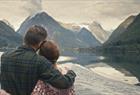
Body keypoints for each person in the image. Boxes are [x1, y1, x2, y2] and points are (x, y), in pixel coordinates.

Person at [1, 25, 76, 95]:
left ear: (25, 38)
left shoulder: (5, 56)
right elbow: (64, 83)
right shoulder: (40, 62)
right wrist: (71, 73)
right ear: (40, 43)